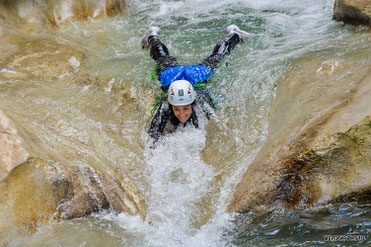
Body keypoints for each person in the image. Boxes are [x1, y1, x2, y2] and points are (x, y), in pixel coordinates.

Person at [142, 25, 251, 145]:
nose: (182, 115)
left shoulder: (201, 102)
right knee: (161, 58)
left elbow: (218, 126)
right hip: (172, 75)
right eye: (177, 109)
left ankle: (235, 35)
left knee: (217, 57)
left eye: (186, 108)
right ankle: (152, 36)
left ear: (192, 104)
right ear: (170, 105)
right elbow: (152, 139)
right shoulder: (164, 107)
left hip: (196, 75)